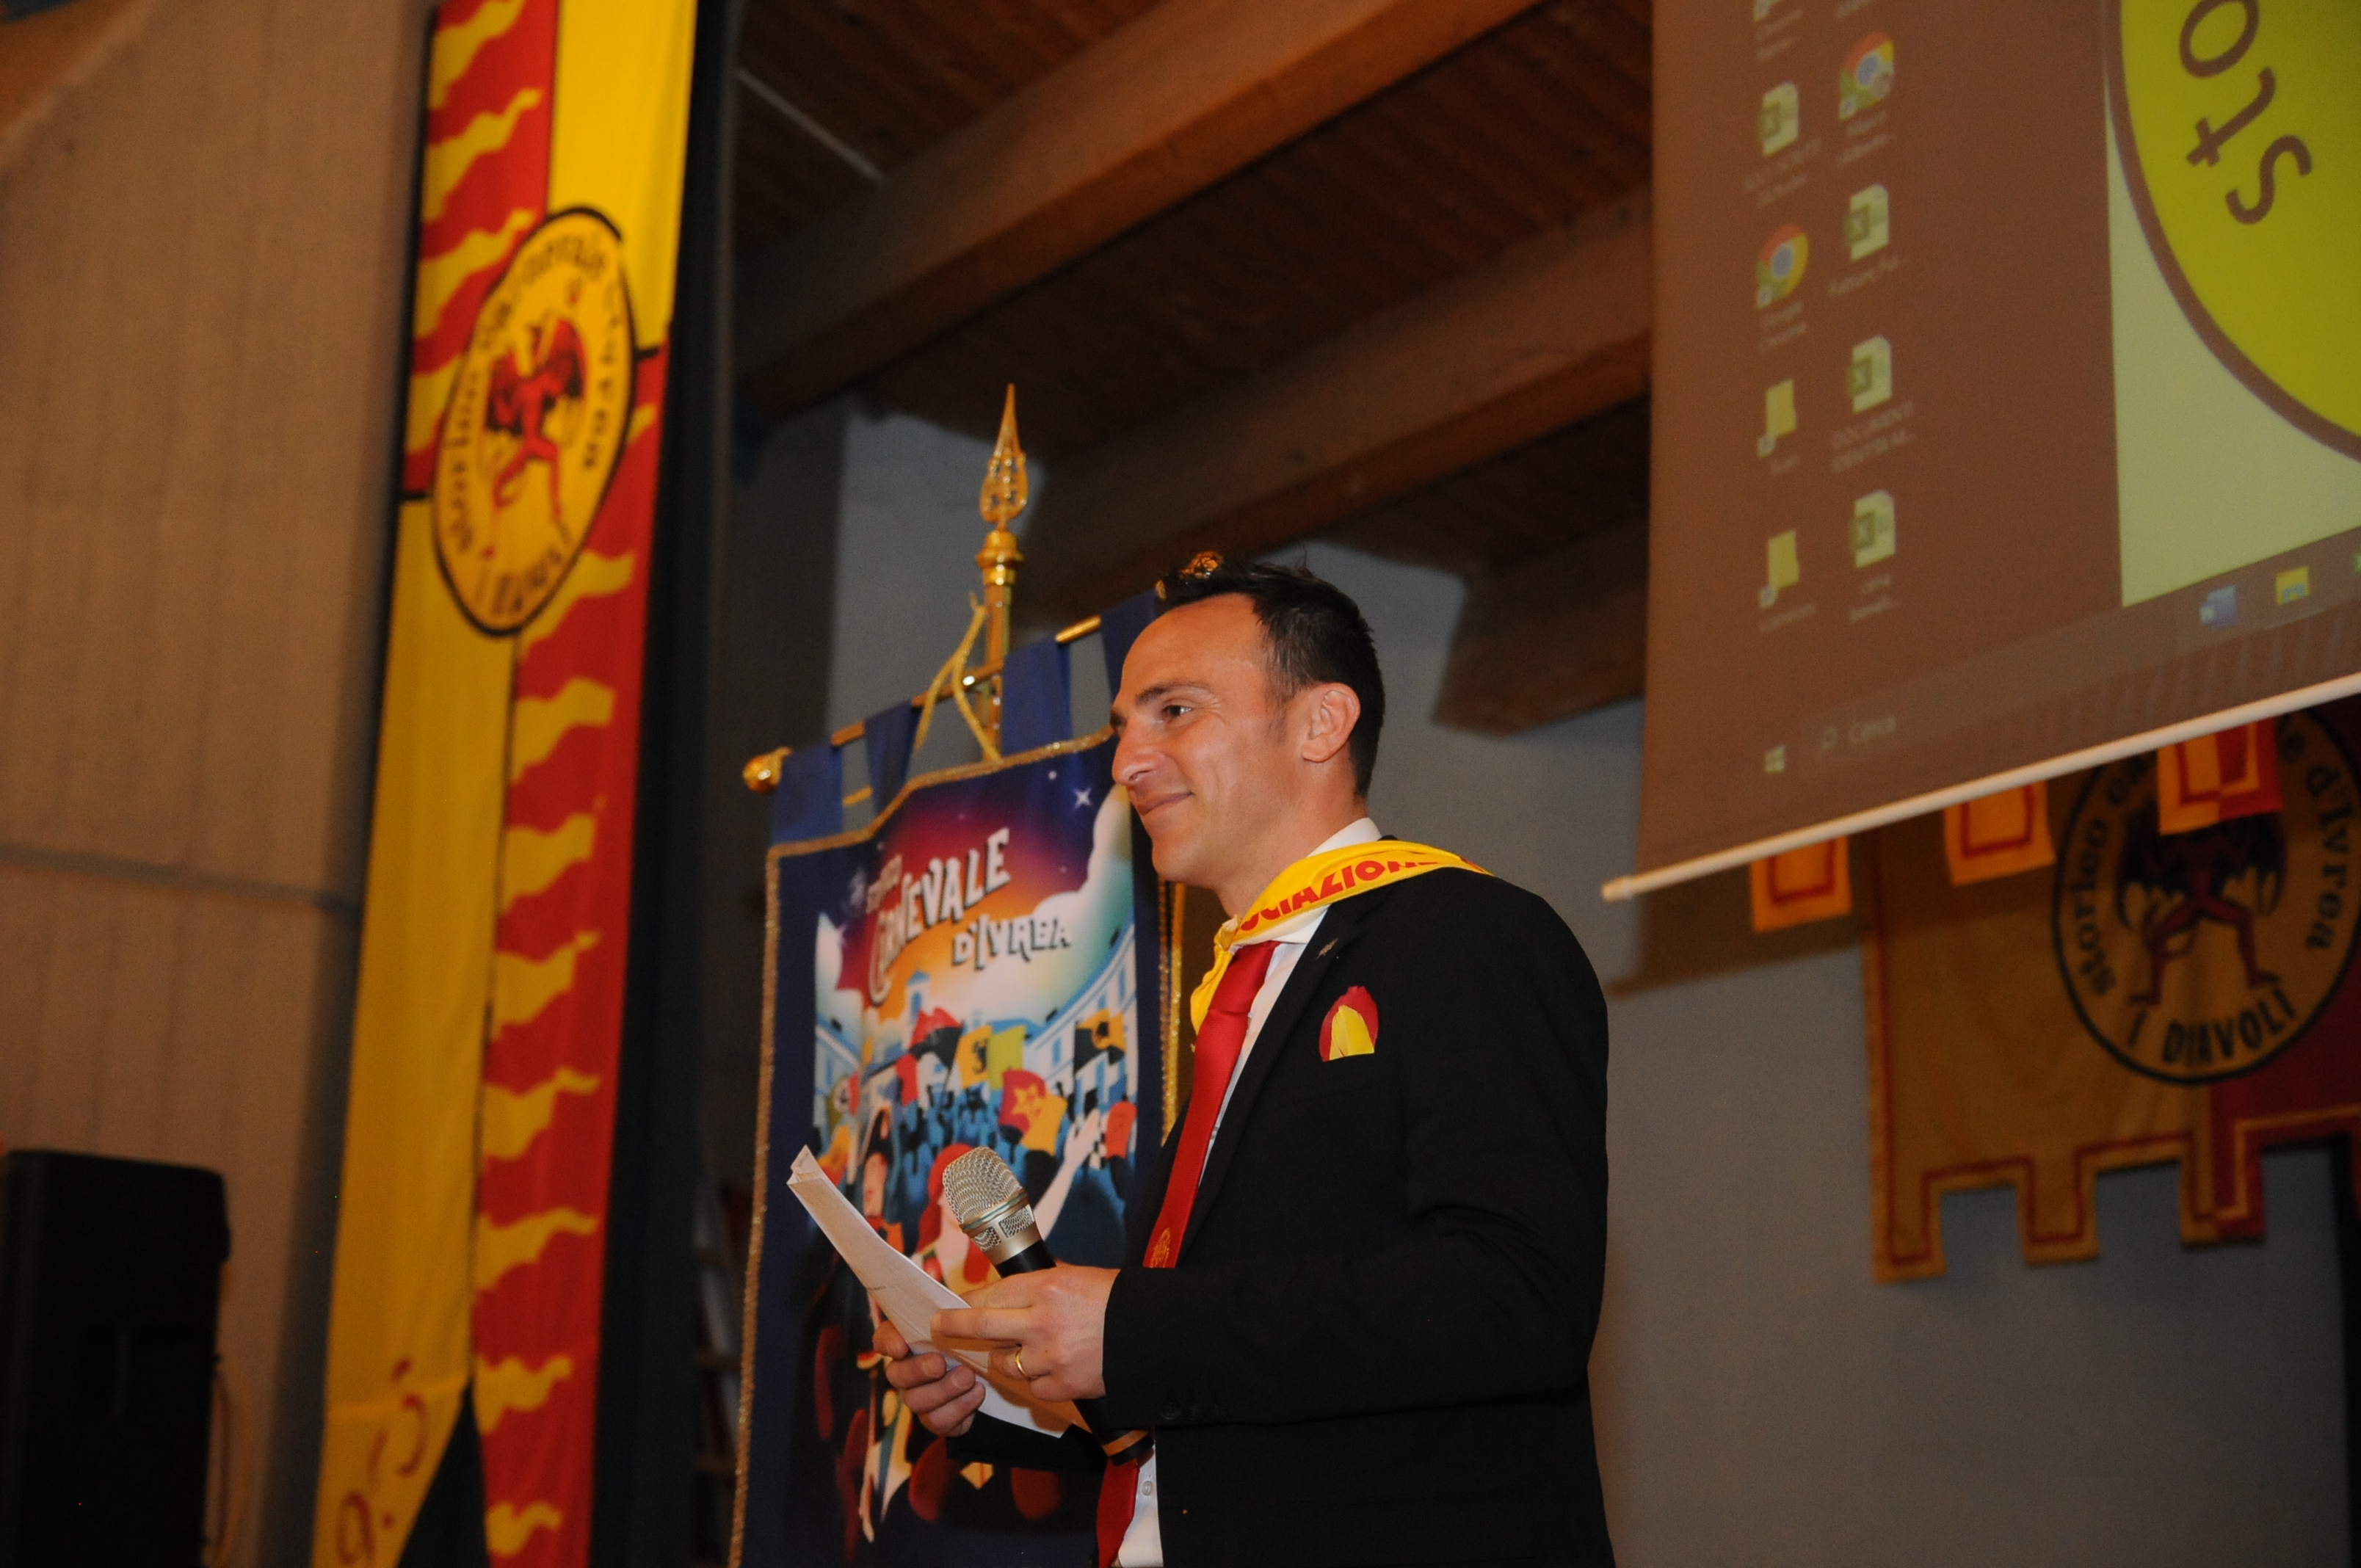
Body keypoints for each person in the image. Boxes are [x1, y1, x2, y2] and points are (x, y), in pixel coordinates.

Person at [872, 557, 1614, 1566]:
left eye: (1175, 712)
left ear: (1321, 723)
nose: (1128, 762)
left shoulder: (1466, 935)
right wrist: (1000, 1392)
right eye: (1123, 727)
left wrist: (1132, 1332)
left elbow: (1517, 1299)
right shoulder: (1240, 993)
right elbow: (1234, 1401)